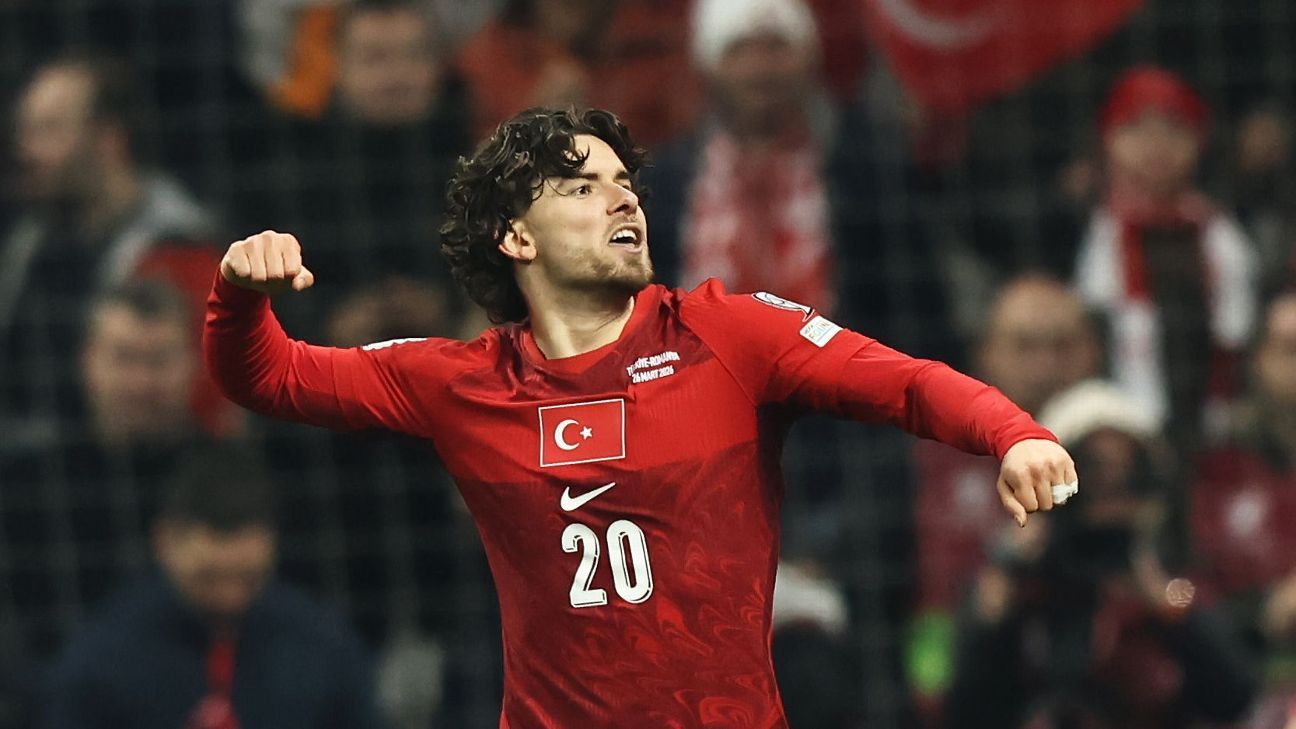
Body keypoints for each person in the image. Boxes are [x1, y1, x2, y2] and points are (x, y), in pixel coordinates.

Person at [204, 106, 1077, 727]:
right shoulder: (460, 383)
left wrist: (1015, 432)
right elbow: (270, 376)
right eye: (582, 187)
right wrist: (239, 293)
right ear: (517, 237)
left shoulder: (730, 336)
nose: (623, 199)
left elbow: (909, 382)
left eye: (625, 183)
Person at [945, 380, 1258, 729]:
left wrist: (1166, 604)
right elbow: (966, 711)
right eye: (1091, 478)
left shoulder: (1174, 581)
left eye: (1126, 478)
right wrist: (1001, 594)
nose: (1108, 499)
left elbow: (1236, 699)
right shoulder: (1020, 584)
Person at [43, 444, 386, 729]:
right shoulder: (102, 658)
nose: (229, 597)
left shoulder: (321, 645)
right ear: (164, 542)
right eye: (208, 577)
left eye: (247, 578)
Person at [0, 53, 226, 445]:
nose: (27, 150)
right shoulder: (30, 240)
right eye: (26, 130)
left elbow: (209, 403)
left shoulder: (181, 252)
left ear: (108, 140)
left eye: (49, 130)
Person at [905, 274, 1101, 716]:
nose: (1046, 366)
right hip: (974, 685)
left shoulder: (1127, 455)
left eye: (1063, 346)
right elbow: (926, 626)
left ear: (1094, 351)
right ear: (986, 353)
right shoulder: (933, 460)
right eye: (1024, 346)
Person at [1074, 65, 1257, 452]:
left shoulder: (1216, 229)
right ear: (1106, 139)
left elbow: (1236, 328)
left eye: (1174, 128)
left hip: (1212, 412)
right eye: (1136, 128)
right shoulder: (1082, 223)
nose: (1155, 145)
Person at [1192, 289, 1296, 728]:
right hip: (1243, 688)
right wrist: (1263, 609)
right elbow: (1184, 588)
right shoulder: (1215, 470)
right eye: (1290, 350)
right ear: (1259, 360)